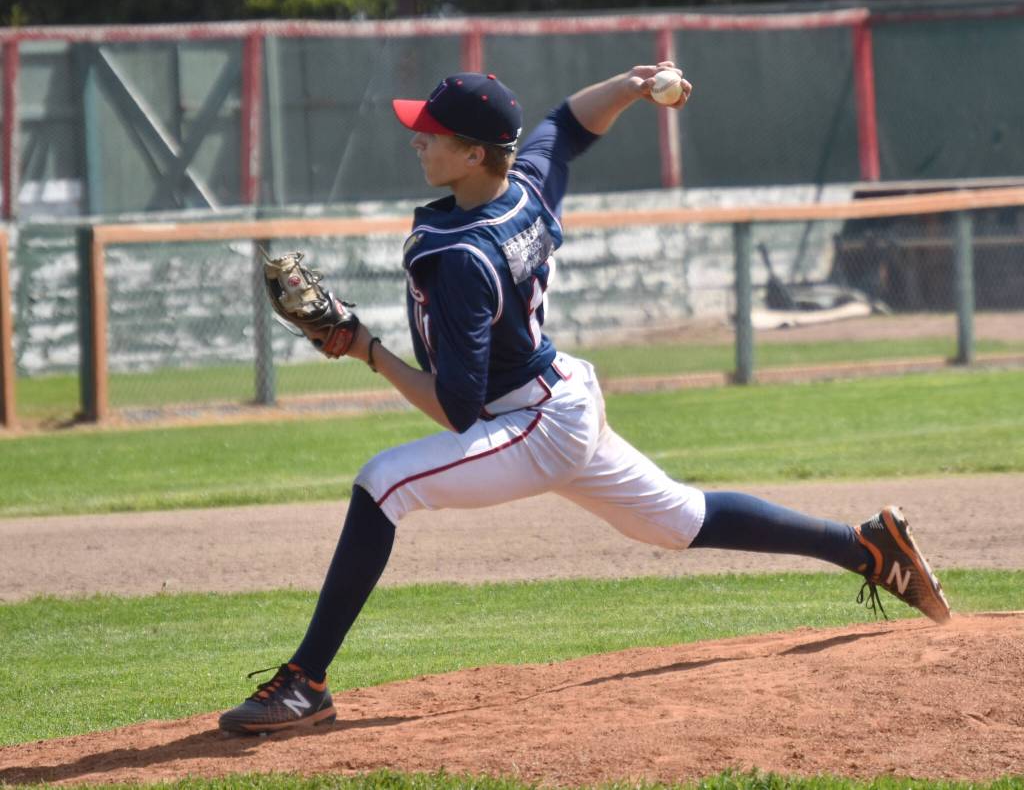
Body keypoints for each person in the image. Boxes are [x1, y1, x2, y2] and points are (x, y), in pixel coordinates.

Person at [218, 64, 951, 735]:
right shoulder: (522, 187)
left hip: (529, 421)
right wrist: (634, 84)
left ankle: (304, 681)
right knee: (681, 518)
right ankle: (864, 546)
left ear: (475, 155)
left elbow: (457, 411)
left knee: (382, 485)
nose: (418, 139)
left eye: (433, 133)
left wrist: (364, 349)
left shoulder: (463, 258)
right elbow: (565, 128)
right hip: (562, 396)